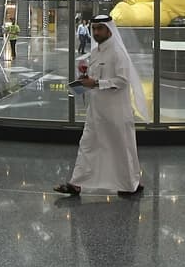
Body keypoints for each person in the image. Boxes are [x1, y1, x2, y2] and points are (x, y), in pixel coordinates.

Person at [54, 15, 150, 198]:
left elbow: (122, 81)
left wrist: (96, 83)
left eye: (100, 28)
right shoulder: (96, 52)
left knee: (121, 146)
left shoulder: (117, 52)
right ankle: (76, 184)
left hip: (116, 112)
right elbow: (94, 77)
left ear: (109, 30)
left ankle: (130, 184)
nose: (96, 32)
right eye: (94, 28)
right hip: (96, 111)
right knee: (87, 145)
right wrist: (84, 81)